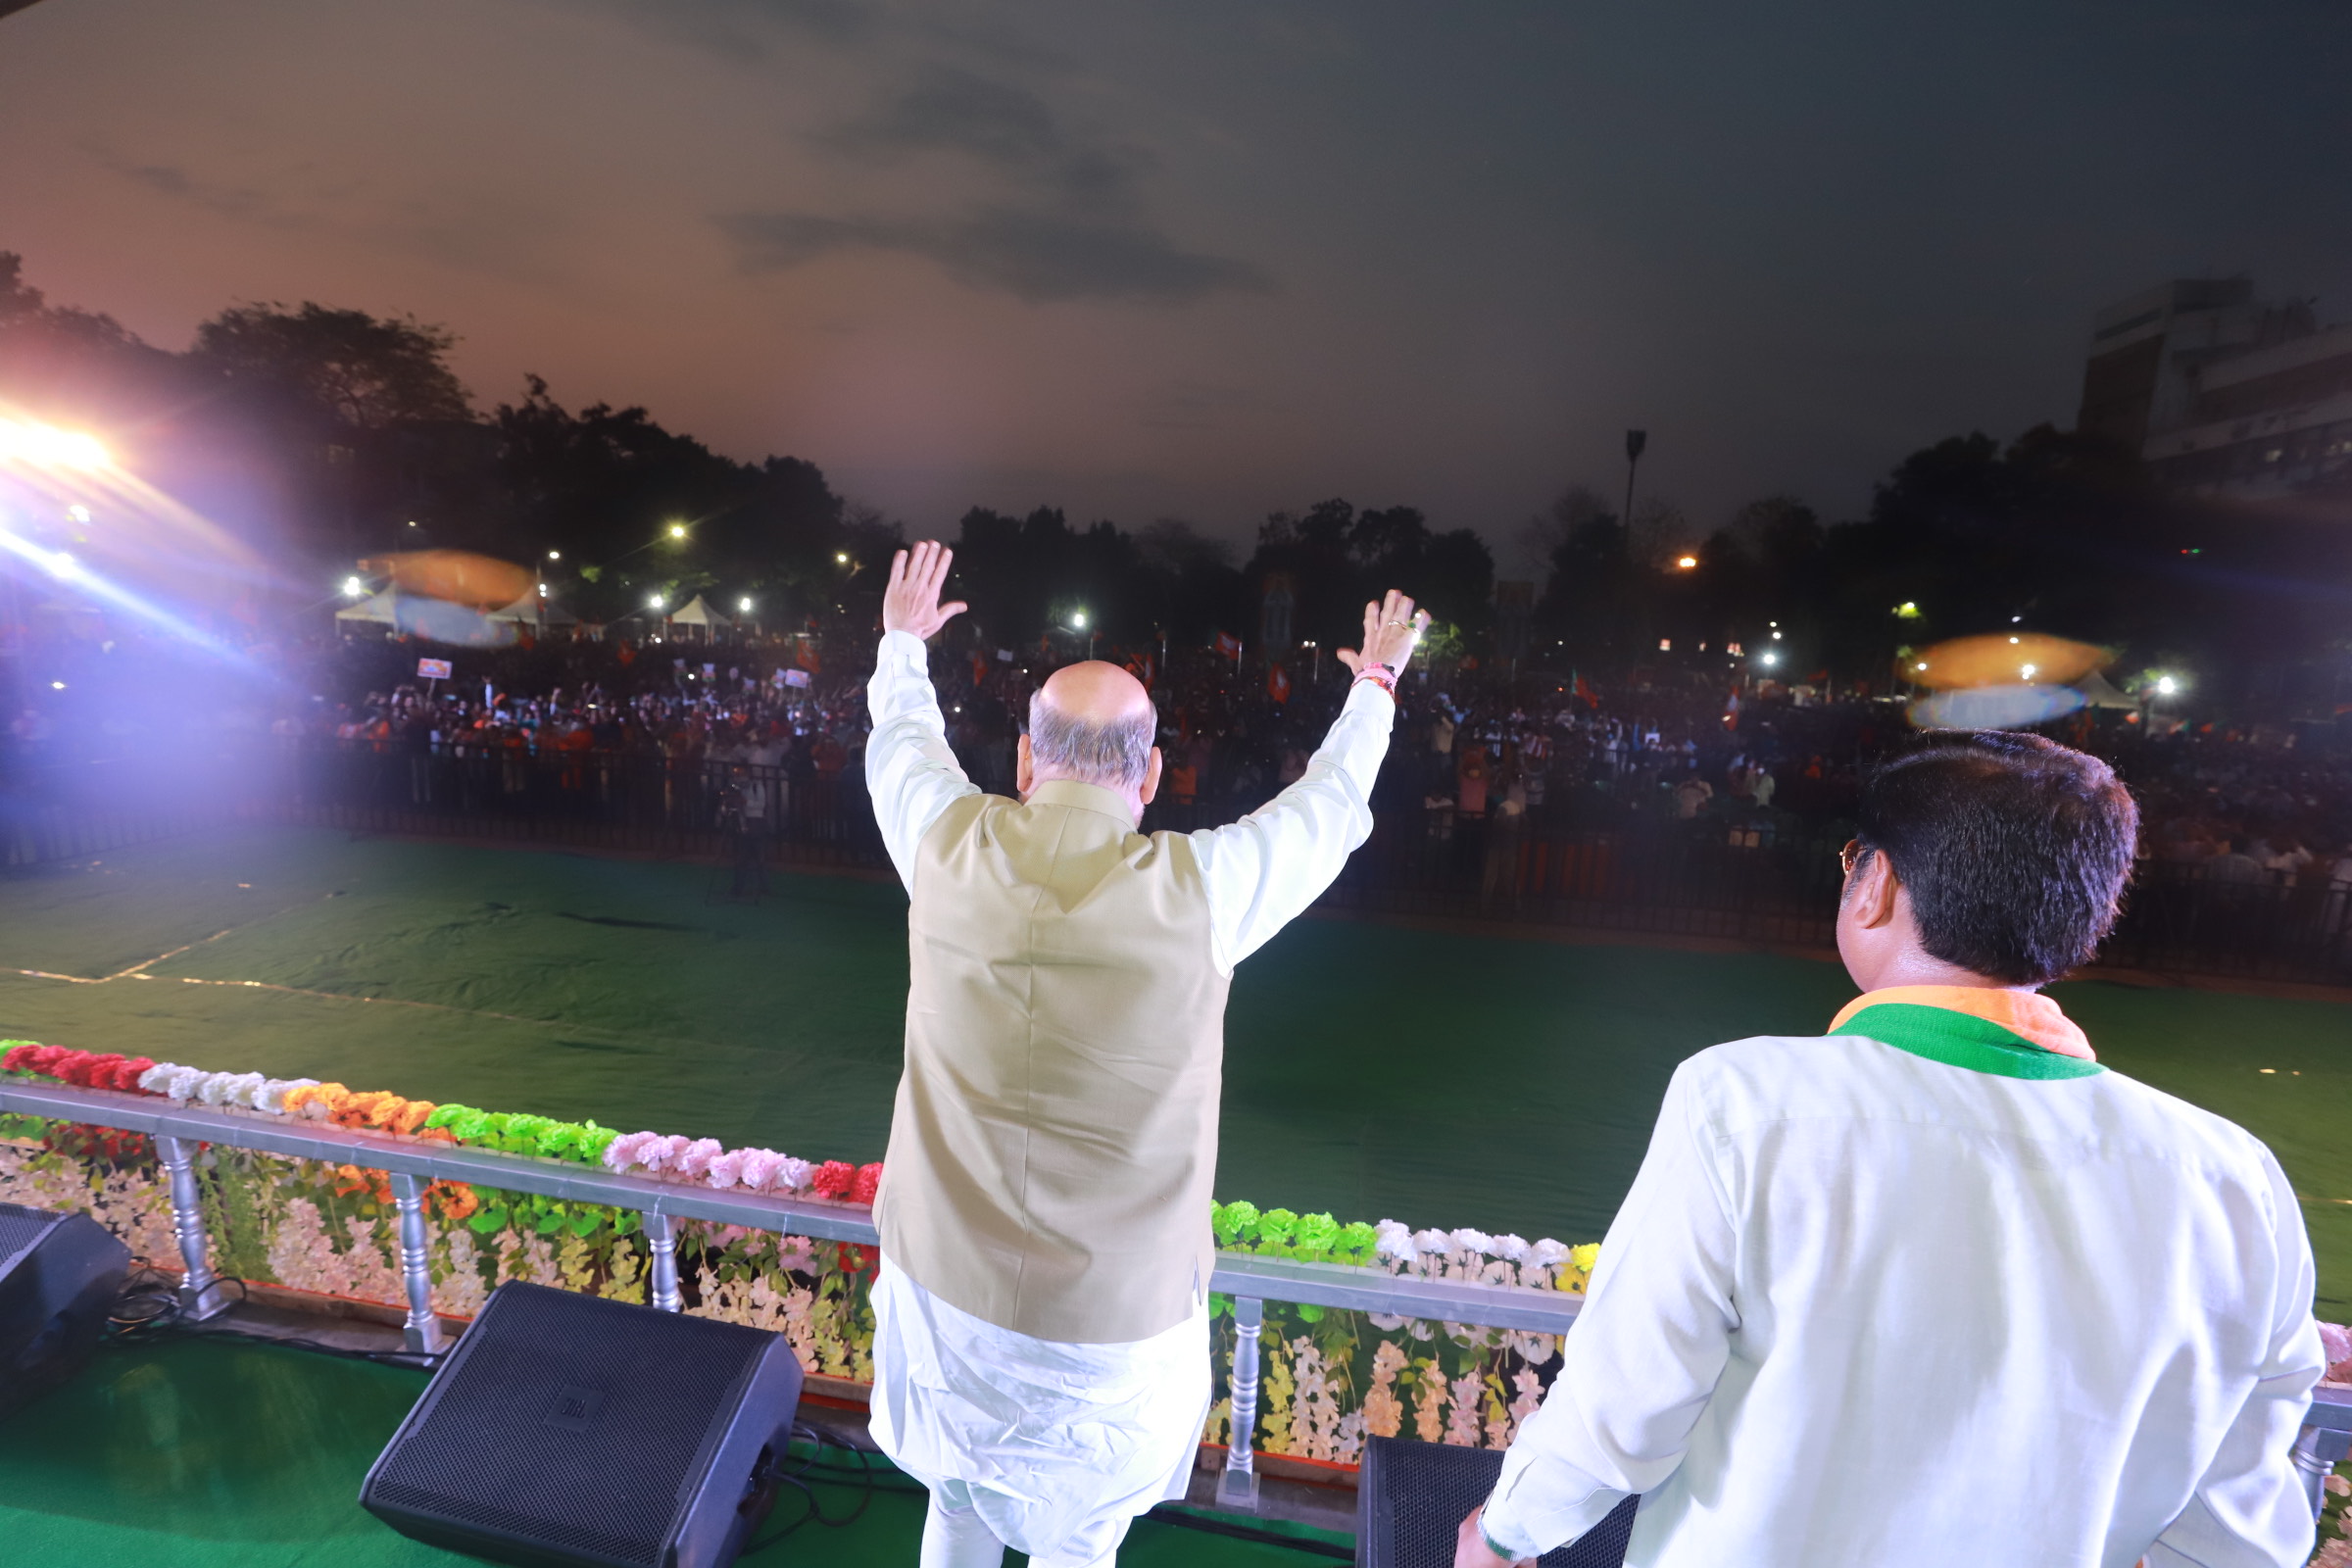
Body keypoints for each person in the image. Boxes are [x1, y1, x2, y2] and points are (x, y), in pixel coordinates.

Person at [1456, 730, 2323, 1568]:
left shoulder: (1747, 1102)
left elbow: (1626, 1403)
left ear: (1875, 884)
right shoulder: (2232, 1176)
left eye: (1853, 861)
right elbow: (2237, 1521)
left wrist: (1505, 1533)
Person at [864, 541, 1430, 1568]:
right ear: (1155, 775)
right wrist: (1375, 686)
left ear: (1026, 763)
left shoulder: (944, 847)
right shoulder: (1203, 888)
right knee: (1076, 1541)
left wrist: (903, 645)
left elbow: (900, 739)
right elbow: (1331, 806)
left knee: (956, 1504)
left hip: (942, 1295)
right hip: (1112, 1330)